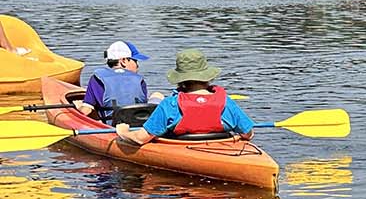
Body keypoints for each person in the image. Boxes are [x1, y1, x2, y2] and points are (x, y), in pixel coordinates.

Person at [114, 49, 254, 145]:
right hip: (220, 147)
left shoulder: (170, 104)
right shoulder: (225, 102)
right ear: (207, 77)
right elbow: (248, 134)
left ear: (181, 79)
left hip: (182, 147)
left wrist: (124, 132)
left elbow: (140, 139)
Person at [75, 41, 163, 122]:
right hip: (138, 125)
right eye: (135, 60)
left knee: (81, 104)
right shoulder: (140, 80)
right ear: (123, 61)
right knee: (157, 95)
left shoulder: (96, 79)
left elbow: (86, 110)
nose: (137, 65)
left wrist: (76, 110)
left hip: (111, 126)